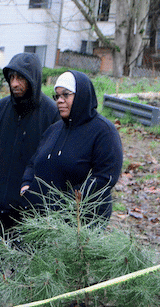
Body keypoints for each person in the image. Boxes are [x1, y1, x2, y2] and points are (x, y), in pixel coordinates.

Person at [0, 53, 59, 307]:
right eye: (12, 77)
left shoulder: (50, 114)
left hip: (28, 211)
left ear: (33, 80)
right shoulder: (0, 108)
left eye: (21, 78)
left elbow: (53, 161)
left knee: (25, 267)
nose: (15, 84)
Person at [21, 70, 123, 221]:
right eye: (57, 96)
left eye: (66, 94)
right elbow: (34, 161)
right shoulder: (54, 129)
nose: (59, 100)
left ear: (81, 95)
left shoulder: (103, 131)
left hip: (79, 224)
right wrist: (26, 184)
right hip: (43, 220)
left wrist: (64, 204)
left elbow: (104, 177)